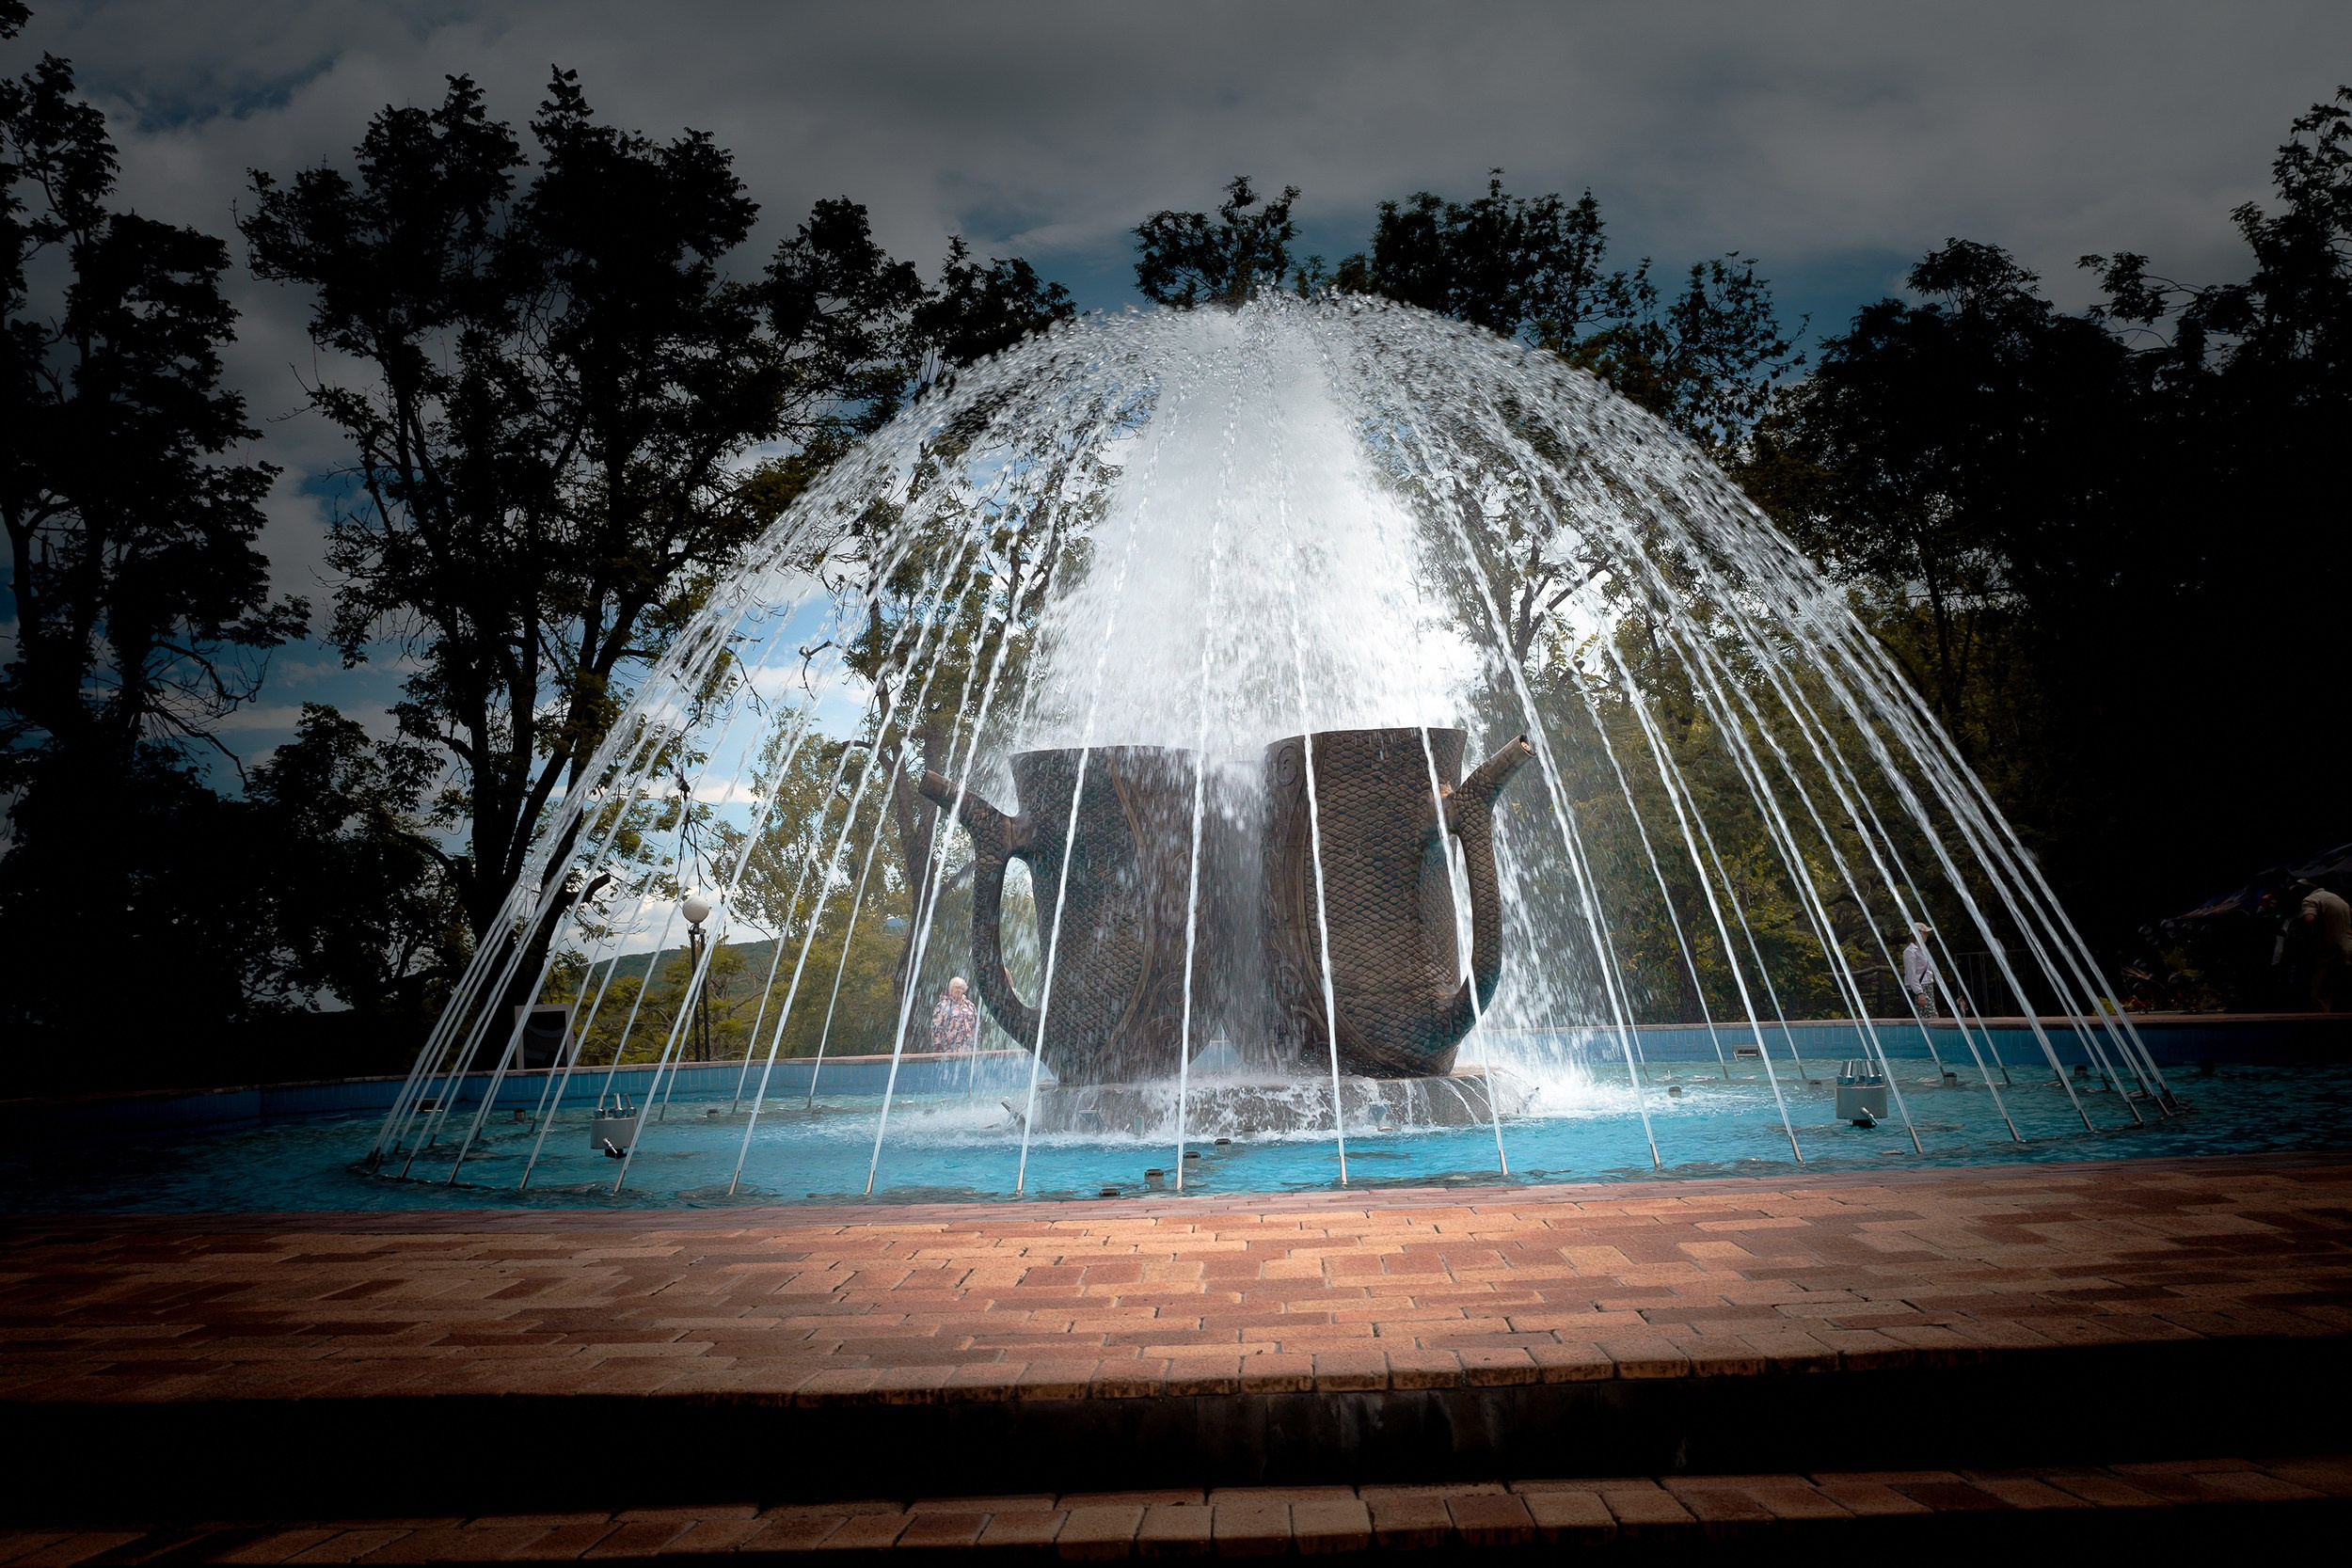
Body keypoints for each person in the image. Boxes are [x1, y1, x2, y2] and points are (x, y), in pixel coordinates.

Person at [2296, 881, 2352, 1012]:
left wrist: (2312, 941)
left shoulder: (2310, 900)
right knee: (2342, 992)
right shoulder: (2339, 899)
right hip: (2349, 949)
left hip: (2331, 952)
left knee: (2319, 995)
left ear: (2303, 891)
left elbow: (2310, 920)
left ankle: (2324, 1027)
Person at [930, 975, 980, 1053]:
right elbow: (936, 1030)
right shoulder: (942, 1006)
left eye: (961, 988)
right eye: (956, 987)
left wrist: (977, 1048)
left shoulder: (970, 1006)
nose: (959, 990)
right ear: (951, 989)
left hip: (969, 1051)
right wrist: (938, 1051)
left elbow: (977, 1027)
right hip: (949, 1052)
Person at [1900, 923, 1939, 1016]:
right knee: (1930, 1015)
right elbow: (1911, 974)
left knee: (1928, 1016)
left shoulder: (1923, 950)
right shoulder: (1909, 952)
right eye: (1924, 932)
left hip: (1927, 986)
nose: (1927, 935)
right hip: (1919, 987)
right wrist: (1919, 992)